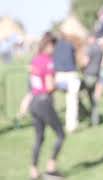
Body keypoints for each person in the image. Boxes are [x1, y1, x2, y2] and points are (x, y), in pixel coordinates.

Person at [29, 32, 65, 179]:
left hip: (35, 101)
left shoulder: (35, 60)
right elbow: (50, 86)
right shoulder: (48, 61)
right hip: (44, 102)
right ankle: (51, 169)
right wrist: (61, 85)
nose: (54, 49)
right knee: (61, 135)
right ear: (49, 45)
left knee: (39, 138)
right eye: (53, 46)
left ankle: (33, 170)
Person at [53, 31, 80, 133]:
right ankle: (71, 126)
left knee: (52, 100)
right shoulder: (70, 45)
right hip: (70, 74)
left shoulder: (54, 47)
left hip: (58, 75)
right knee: (72, 101)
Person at [79, 33, 103, 125]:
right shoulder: (100, 49)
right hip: (97, 75)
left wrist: (81, 67)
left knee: (75, 94)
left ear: (91, 38)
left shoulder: (90, 48)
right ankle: (95, 120)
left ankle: (84, 113)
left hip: (89, 75)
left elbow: (85, 62)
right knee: (93, 99)